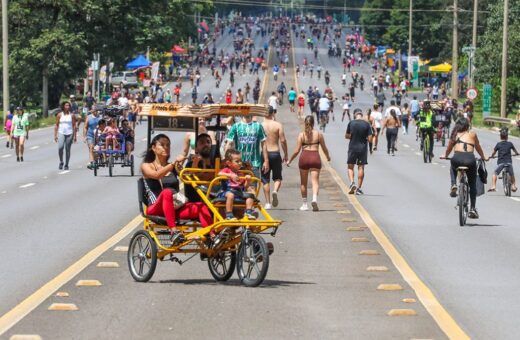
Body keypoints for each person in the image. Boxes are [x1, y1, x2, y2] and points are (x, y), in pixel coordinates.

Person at [141, 134, 213, 243]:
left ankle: (212, 236)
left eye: (168, 145)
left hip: (174, 207)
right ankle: (174, 232)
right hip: (155, 208)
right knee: (167, 193)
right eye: (162, 145)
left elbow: (188, 177)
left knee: (200, 206)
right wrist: (174, 163)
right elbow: (156, 175)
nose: (166, 147)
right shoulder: (147, 165)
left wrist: (195, 163)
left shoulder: (174, 166)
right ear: (153, 148)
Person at [440, 118, 487, 219]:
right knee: (472, 184)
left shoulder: (454, 134)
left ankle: (453, 184)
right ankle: (473, 208)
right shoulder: (472, 134)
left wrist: (445, 155)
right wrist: (483, 157)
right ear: (467, 126)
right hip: (470, 160)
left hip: (456, 159)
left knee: (453, 167)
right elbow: (478, 148)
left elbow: (448, 149)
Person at [287, 115, 331, 211]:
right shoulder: (319, 135)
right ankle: (314, 199)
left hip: (304, 157)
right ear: (313, 123)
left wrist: (290, 160)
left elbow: (297, 150)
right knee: (315, 181)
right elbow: (324, 148)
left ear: (305, 123)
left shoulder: (301, 135)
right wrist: (328, 157)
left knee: (303, 183)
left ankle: (304, 204)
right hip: (315, 157)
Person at [225, 113, 269, 180]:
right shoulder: (236, 126)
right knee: (239, 186)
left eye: (249, 110)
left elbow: (264, 143)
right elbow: (229, 144)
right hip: (239, 164)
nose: (247, 112)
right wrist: (226, 160)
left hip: (254, 163)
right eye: (245, 111)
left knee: (253, 187)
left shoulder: (258, 126)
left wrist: (266, 161)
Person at [218, 149, 257, 220]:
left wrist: (248, 180)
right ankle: (229, 214)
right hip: (226, 192)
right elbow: (219, 174)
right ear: (229, 163)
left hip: (239, 192)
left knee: (250, 195)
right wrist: (230, 175)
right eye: (237, 161)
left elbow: (244, 187)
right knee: (230, 195)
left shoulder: (241, 173)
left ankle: (248, 212)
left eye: (240, 161)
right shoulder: (227, 170)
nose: (240, 163)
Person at [261, 107, 288, 209]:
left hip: (264, 154)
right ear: (273, 113)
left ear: (264, 114)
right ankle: (275, 191)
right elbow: (283, 140)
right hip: (275, 153)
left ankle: (267, 203)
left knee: (265, 179)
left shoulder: (260, 126)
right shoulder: (278, 125)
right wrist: (286, 154)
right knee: (277, 178)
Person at [346, 110, 373, 194]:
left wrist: (352, 136)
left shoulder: (351, 123)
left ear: (355, 115)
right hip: (362, 148)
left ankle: (351, 183)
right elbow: (370, 139)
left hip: (352, 147)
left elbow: (347, 136)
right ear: (361, 115)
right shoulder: (367, 124)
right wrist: (371, 149)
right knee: (361, 167)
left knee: (350, 167)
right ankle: (359, 188)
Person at [184, 133, 215, 203]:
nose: (206, 144)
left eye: (208, 142)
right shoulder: (190, 165)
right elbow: (191, 178)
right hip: (196, 203)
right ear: (196, 149)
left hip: (215, 201)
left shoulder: (215, 164)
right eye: (202, 142)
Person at [487, 128, 519, 192]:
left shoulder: (498, 144)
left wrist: (492, 156)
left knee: (495, 173)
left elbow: (493, 152)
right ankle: (513, 186)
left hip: (501, 163)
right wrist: (516, 154)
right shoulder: (510, 144)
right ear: (507, 137)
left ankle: (493, 186)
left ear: (500, 137)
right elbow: (515, 151)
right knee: (512, 174)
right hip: (509, 163)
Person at [54, 102, 77, 170]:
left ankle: (66, 164)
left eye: (68, 105)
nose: (68, 106)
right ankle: (61, 161)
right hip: (61, 132)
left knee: (67, 149)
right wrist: (55, 135)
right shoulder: (59, 115)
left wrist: (75, 136)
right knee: (60, 147)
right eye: (66, 105)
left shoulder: (72, 115)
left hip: (69, 133)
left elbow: (74, 126)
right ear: (63, 107)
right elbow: (56, 125)